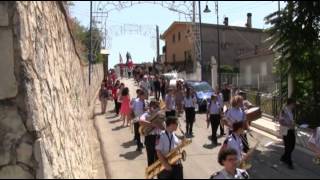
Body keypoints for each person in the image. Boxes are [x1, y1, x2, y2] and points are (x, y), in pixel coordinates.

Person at [139, 100, 165, 166]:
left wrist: (159, 123)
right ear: (150, 107)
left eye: (157, 106)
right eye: (155, 106)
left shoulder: (160, 114)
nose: (156, 108)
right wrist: (154, 125)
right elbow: (141, 121)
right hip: (150, 138)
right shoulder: (146, 114)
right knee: (150, 159)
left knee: (159, 159)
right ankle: (150, 175)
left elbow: (163, 128)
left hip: (159, 138)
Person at [279, 98, 296, 169]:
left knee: (292, 145)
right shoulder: (284, 111)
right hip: (286, 130)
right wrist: (289, 125)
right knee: (288, 146)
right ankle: (289, 162)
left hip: (291, 130)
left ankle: (284, 157)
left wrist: (293, 124)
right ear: (291, 104)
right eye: (294, 104)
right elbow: (280, 121)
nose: (294, 106)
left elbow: (291, 120)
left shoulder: (291, 111)